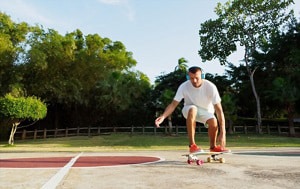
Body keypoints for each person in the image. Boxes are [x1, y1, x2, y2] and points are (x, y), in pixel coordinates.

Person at [155, 66, 230, 153]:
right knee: (193, 108)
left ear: (202, 76)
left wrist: (223, 133)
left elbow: (219, 111)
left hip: (205, 112)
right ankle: (192, 145)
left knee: (213, 121)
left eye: (197, 78)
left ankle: (213, 147)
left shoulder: (210, 87)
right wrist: (163, 116)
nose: (194, 81)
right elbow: (173, 105)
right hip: (188, 110)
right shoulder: (184, 86)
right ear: (188, 77)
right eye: (191, 78)